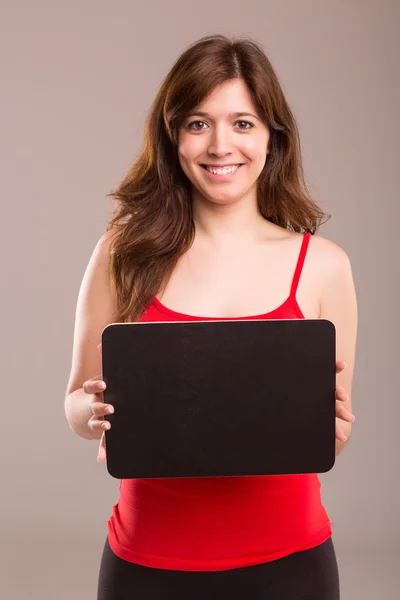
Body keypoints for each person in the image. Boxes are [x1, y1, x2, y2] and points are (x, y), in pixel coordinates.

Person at [64, 34, 357, 599]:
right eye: (198, 123)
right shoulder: (123, 253)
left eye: (243, 123)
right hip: (145, 564)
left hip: (290, 564)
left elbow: (324, 439)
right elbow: (75, 401)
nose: (221, 145)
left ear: (274, 136)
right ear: (173, 136)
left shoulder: (323, 266)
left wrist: (335, 432)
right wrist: (93, 413)